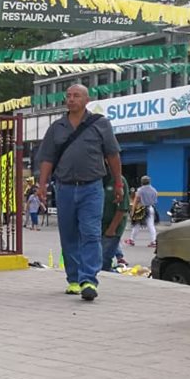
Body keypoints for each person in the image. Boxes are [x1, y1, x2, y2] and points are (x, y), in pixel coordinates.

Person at [36, 84, 122, 302]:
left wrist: (118, 183)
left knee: (91, 232)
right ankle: (73, 279)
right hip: (64, 187)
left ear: (86, 100)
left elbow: (113, 155)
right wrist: (42, 185)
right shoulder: (57, 127)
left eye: (76, 96)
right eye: (68, 96)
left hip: (92, 187)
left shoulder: (100, 124)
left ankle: (89, 280)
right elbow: (47, 158)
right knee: (69, 234)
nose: (71, 99)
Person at [101, 170, 131, 272]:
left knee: (104, 261)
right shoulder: (96, 181)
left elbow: (123, 208)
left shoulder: (119, 181)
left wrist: (112, 229)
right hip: (97, 226)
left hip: (112, 228)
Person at [130, 174, 159, 247]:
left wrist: (132, 211)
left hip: (141, 208)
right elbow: (155, 201)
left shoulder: (140, 190)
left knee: (137, 224)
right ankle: (153, 241)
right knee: (151, 225)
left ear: (141, 182)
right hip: (151, 208)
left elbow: (136, 201)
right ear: (149, 182)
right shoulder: (154, 190)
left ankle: (132, 240)